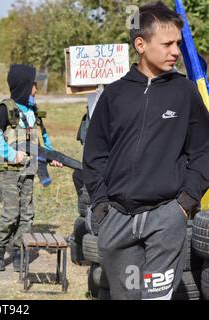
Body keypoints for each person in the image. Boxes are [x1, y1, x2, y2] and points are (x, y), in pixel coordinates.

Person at [83, 1, 209, 300]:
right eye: (167, 44)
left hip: (165, 219)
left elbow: (204, 150)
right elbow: (95, 154)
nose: (175, 51)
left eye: (178, 43)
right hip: (117, 220)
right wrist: (102, 205)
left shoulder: (185, 92)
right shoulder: (114, 94)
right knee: (127, 296)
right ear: (141, 44)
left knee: (156, 298)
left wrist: (184, 204)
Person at [0, 64, 62, 272]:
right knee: (11, 213)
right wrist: (12, 154)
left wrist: (50, 156)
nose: (36, 87)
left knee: (27, 213)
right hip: (8, 170)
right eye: (33, 84)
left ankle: (19, 249)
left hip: (29, 169)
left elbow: (41, 137)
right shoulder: (6, 109)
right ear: (24, 86)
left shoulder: (32, 109)